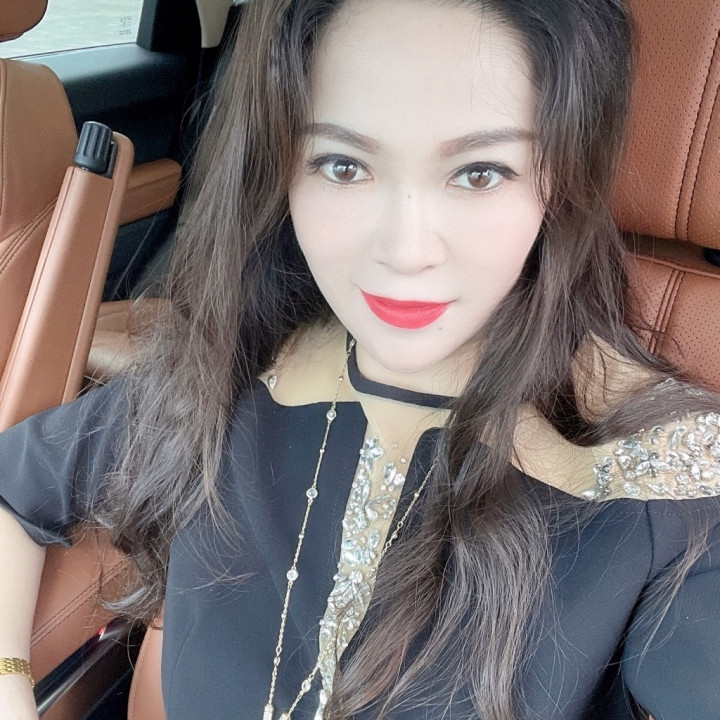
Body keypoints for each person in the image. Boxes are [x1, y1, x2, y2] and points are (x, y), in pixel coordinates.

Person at [1, 0, 719, 718]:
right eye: (343, 166)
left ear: (557, 178)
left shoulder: (666, 479)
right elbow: (16, 485)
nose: (405, 250)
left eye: (479, 173)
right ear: (284, 169)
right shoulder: (228, 374)